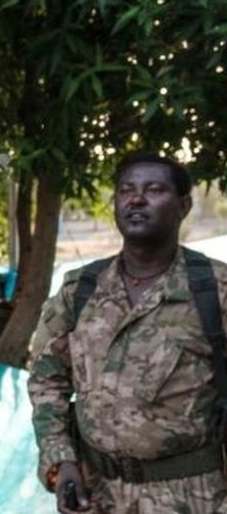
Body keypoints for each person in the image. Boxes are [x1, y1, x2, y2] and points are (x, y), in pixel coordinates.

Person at [28, 154, 227, 513]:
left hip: (193, 496)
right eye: (126, 191)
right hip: (96, 493)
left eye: (154, 190)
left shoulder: (214, 289)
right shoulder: (80, 289)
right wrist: (62, 462)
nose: (136, 199)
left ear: (183, 205)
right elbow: (47, 380)